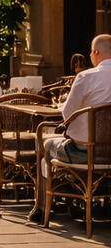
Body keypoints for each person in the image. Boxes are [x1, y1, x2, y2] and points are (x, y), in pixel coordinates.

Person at [29, 34, 111, 225]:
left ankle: (41, 207)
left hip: (86, 152)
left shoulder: (86, 76)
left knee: (46, 142)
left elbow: (67, 114)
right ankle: (71, 192)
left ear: (96, 53)